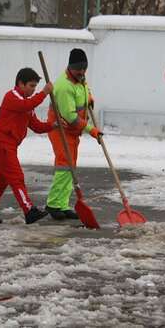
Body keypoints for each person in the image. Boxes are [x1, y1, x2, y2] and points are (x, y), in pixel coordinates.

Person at [0, 68, 55, 224]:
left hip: (9, 144)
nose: (33, 90)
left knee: (1, 180)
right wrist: (44, 93)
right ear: (20, 83)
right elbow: (25, 105)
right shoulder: (12, 97)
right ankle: (29, 210)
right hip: (2, 142)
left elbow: (37, 126)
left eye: (35, 86)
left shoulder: (28, 104)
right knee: (16, 177)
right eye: (31, 86)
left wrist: (53, 125)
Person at [45, 48, 102, 220]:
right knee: (64, 167)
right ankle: (53, 204)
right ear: (70, 67)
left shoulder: (80, 79)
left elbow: (84, 89)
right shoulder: (64, 86)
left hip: (73, 133)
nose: (82, 72)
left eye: (85, 68)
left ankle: (62, 204)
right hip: (61, 130)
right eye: (79, 69)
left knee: (70, 168)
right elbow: (70, 117)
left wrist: (89, 98)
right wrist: (91, 130)